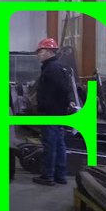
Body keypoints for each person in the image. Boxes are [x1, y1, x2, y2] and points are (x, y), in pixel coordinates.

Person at [33, 37, 73, 186]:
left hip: (51, 113)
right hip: (57, 113)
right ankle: (60, 176)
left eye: (41, 51)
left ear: (49, 52)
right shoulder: (56, 67)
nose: (39, 54)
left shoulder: (52, 69)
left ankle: (48, 176)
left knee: (50, 145)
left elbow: (62, 90)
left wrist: (47, 106)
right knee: (59, 144)